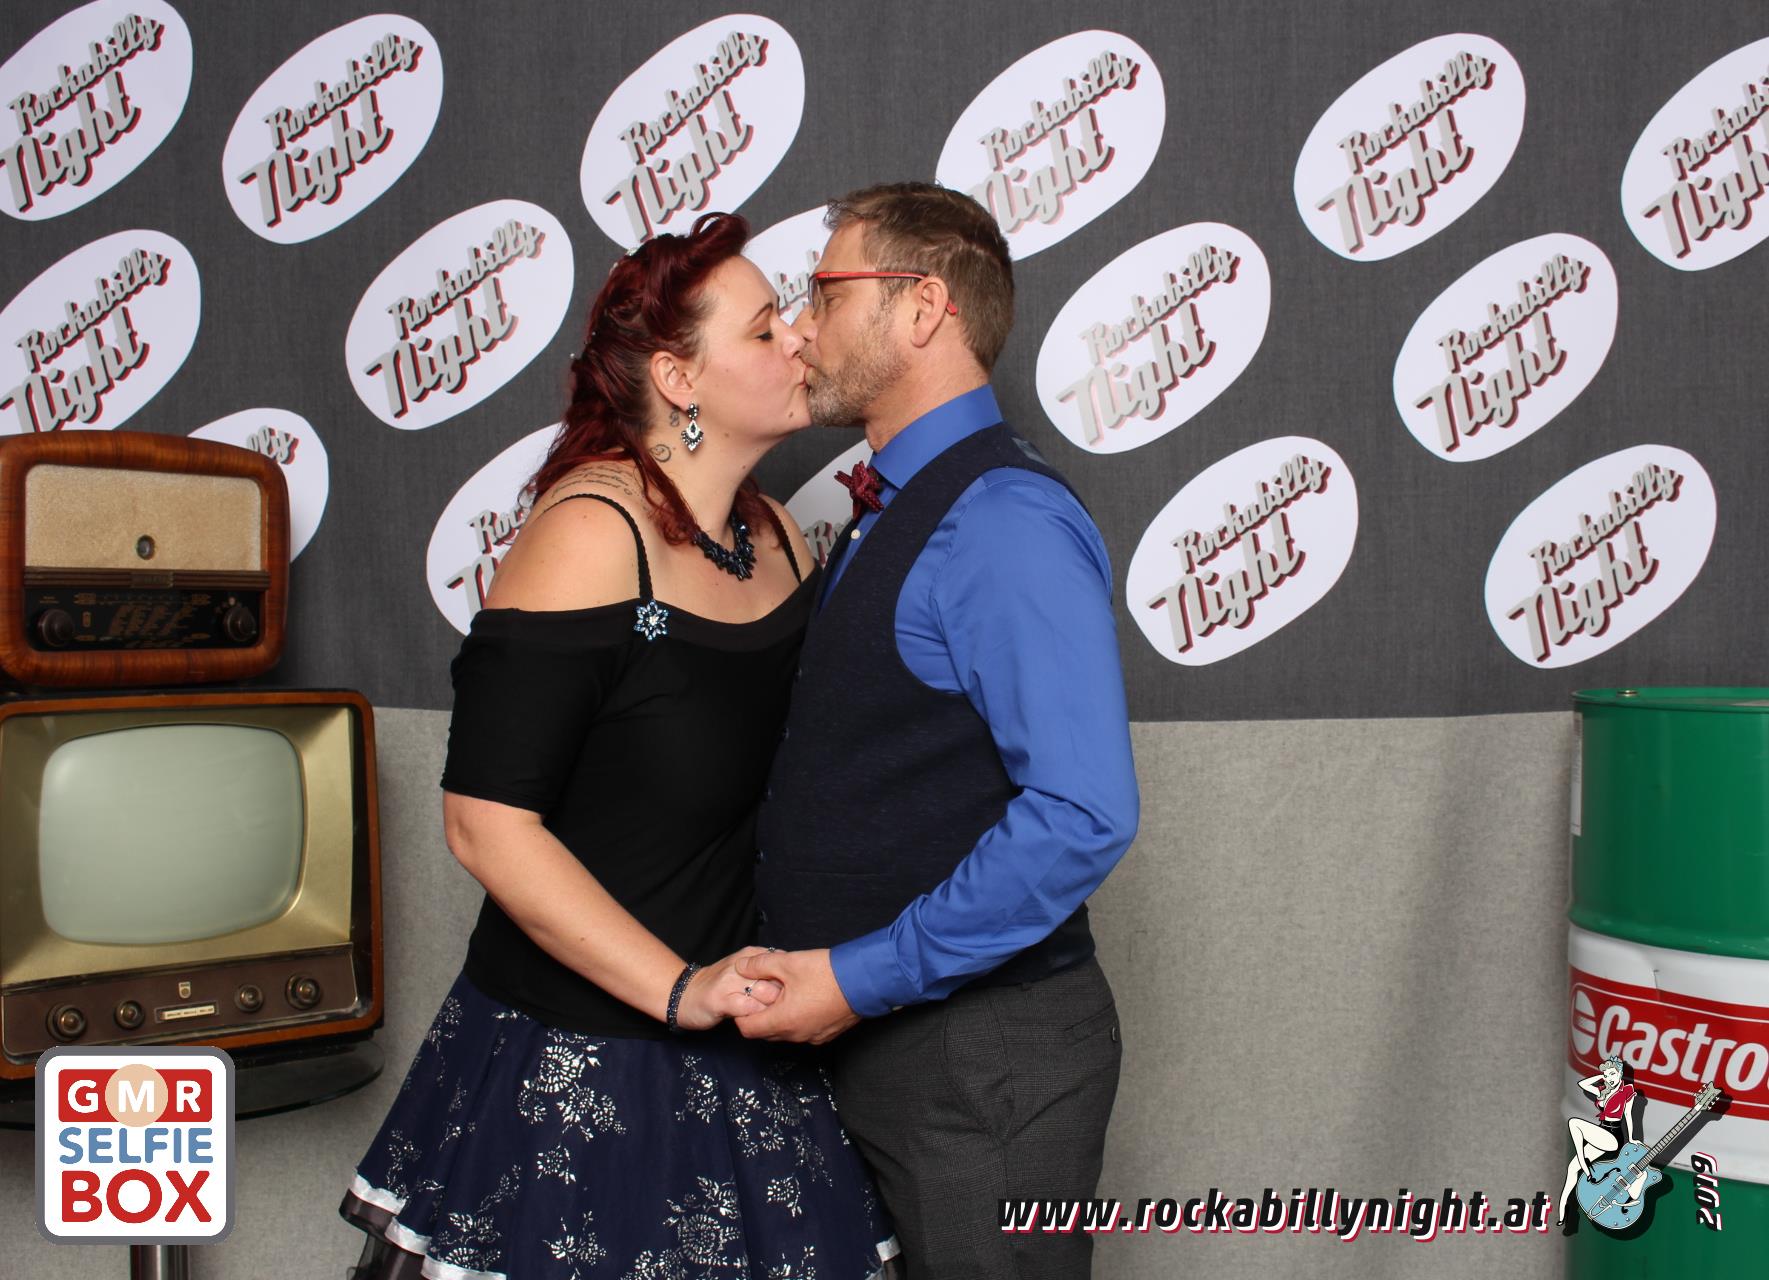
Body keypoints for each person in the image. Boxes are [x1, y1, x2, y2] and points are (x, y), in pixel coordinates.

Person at [340, 212, 897, 1279]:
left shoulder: (773, 536)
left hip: (749, 1043)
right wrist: (681, 988)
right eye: (761, 328)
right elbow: (484, 823)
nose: (797, 338)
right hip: (583, 1055)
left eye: (788, 316)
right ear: (677, 379)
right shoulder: (591, 537)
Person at [734, 182, 1140, 1279]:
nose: (799, 327)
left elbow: (1083, 812)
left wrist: (858, 976)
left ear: (921, 307)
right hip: (894, 1052)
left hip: (977, 1063)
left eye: (825, 293)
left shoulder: (1001, 519)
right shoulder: (897, 504)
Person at [1559, 1055, 1638, 1226]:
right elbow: (1583, 1084)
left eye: (1613, 1074)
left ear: (1620, 1073)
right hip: (1601, 1132)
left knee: (1574, 1123)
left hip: (1613, 1135)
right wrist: (1602, 1076)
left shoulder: (1626, 1091)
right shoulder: (1603, 1091)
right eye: (1607, 1075)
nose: (1609, 1078)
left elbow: (1628, 1116)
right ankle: (1564, 1212)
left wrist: (1631, 1138)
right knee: (1572, 1168)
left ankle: (1584, 1163)